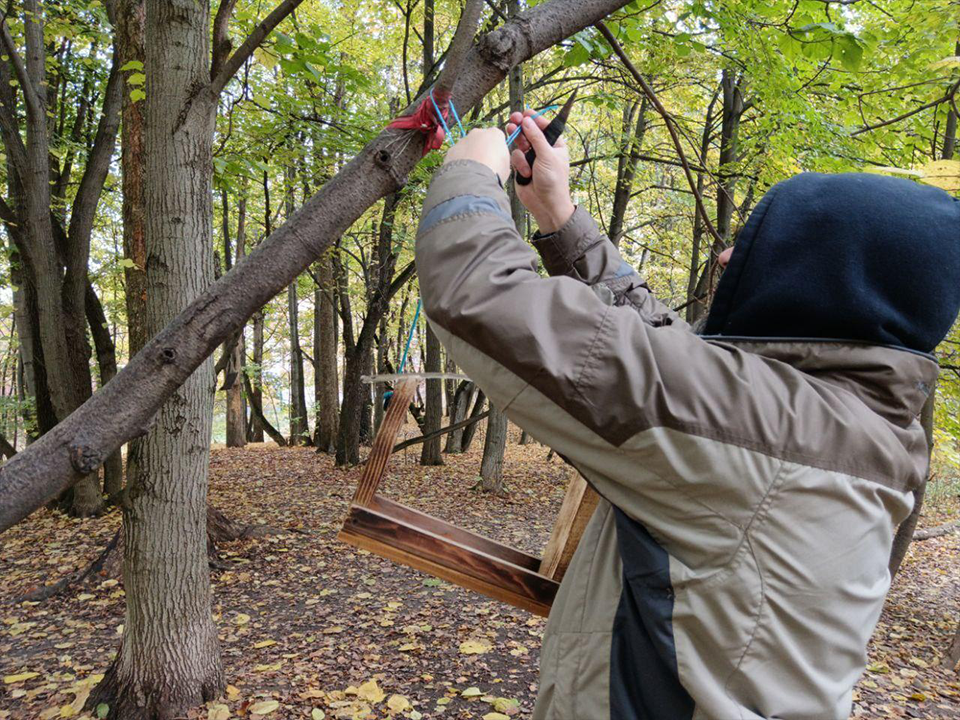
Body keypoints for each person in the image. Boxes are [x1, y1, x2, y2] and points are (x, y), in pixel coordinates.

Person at [414, 109, 960, 719]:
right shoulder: (858, 426)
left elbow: (475, 294)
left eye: (761, 252)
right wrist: (557, 215)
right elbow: (666, 347)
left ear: (826, 284)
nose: (727, 258)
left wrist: (471, 167)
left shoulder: (772, 426)